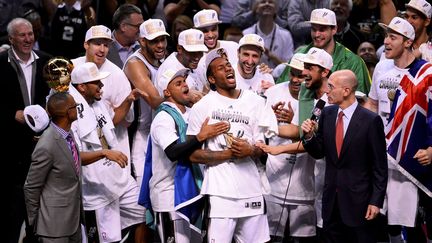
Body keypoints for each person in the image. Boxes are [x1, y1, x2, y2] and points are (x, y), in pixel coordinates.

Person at [259, 69, 388, 243]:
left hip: (360, 202)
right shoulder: (327, 113)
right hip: (330, 201)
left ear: (346, 91)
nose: (327, 91)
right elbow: (319, 152)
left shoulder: (370, 120)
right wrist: (310, 136)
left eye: (332, 87)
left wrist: (376, 201)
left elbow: (379, 166)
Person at [186, 47, 277, 242]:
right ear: (211, 79)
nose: (228, 69)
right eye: (220, 68)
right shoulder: (202, 107)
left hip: (252, 189)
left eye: (228, 65)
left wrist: (251, 150)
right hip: (220, 193)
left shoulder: (257, 102)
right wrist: (229, 154)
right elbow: (192, 155)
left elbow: (265, 152)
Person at [365, 16, 432, 243]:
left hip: (412, 159)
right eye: (386, 36)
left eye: (393, 37)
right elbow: (372, 105)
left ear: (408, 42)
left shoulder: (426, 74)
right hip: (382, 155)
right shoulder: (382, 68)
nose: (386, 42)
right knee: (384, 221)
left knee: (411, 222)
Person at [69, 62, 146, 243]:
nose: (102, 87)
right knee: (105, 240)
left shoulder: (98, 103)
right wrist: (104, 153)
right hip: (94, 186)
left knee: (142, 209)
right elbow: (74, 156)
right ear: (81, 86)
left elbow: (113, 120)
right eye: (97, 83)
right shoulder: (71, 114)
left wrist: (128, 101)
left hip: (117, 176)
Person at [149, 68, 229, 242]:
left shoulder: (189, 113)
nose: (185, 85)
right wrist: (201, 136)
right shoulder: (163, 118)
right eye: (178, 83)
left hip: (190, 194)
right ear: (167, 92)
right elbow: (173, 152)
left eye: (184, 81)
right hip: (169, 197)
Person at [2, 17, 52, 243]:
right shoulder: (0, 63)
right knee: (13, 211)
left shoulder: (48, 62)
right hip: (11, 148)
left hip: (43, 145)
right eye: (22, 35)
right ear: (11, 38)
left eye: (30, 34)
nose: (28, 39)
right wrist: (12, 114)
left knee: (41, 207)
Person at [263, 53, 318, 243]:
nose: (295, 79)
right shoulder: (273, 93)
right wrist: (270, 117)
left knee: (302, 239)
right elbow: (260, 127)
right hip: (274, 180)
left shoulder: (317, 98)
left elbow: (313, 138)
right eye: (293, 74)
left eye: (301, 75)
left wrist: (291, 125)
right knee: (272, 238)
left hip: (305, 183)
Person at [24, 92, 83, 243]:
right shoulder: (47, 145)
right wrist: (36, 222)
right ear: (67, 112)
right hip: (53, 228)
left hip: (73, 222)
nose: (77, 108)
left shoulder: (67, 135)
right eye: (74, 106)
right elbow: (31, 186)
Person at [278, 8, 371, 96]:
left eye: (322, 30)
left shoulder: (353, 62)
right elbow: (282, 88)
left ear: (334, 29)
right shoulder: (299, 55)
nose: (317, 34)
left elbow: (362, 101)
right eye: (314, 29)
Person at [124, 18, 169, 195]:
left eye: (162, 40)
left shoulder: (164, 60)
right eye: (154, 41)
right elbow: (154, 100)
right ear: (142, 41)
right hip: (141, 137)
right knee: (144, 200)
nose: (160, 45)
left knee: (163, 195)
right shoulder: (135, 63)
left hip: (162, 133)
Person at [242, 0, 294, 69]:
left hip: (278, 78)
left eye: (270, 2)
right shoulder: (246, 34)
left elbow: (289, 68)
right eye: (263, 2)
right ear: (256, 9)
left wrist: (272, 56)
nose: (267, 4)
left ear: (276, 9)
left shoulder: (286, 35)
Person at [156, 28, 208, 94]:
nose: (197, 58)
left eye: (200, 52)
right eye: (192, 52)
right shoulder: (170, 70)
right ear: (179, 48)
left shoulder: (191, 63)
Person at [107, 4, 143, 69]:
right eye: (138, 26)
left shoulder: (144, 45)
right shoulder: (103, 47)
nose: (141, 30)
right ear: (123, 27)